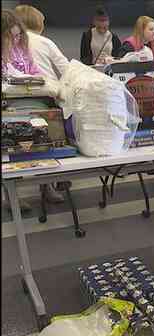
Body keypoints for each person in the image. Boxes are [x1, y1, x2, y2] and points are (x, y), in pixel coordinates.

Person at [1, 10, 65, 208]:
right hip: (8, 106)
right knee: (10, 148)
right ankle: (11, 197)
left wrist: (38, 79)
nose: (16, 39)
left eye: (19, 35)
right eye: (11, 36)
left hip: (31, 101)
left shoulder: (23, 48)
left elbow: (35, 72)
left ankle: (47, 185)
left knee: (44, 135)